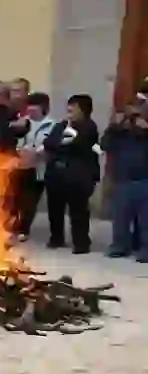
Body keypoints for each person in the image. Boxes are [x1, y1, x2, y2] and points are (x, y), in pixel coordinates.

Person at [42, 94, 100, 253]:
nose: (70, 110)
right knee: (54, 209)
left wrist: (63, 141)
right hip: (56, 174)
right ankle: (56, 238)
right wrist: (62, 142)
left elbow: (77, 144)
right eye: (69, 106)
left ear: (83, 110)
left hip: (78, 176)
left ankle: (81, 243)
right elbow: (49, 143)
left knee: (78, 211)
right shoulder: (61, 125)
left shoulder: (89, 127)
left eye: (74, 107)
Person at [101, 89, 148, 261]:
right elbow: (104, 144)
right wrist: (115, 127)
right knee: (120, 218)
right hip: (122, 179)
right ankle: (120, 246)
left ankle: (145, 249)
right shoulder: (119, 132)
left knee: (146, 220)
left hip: (145, 180)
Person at [13, 92, 55, 240]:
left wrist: (38, 152)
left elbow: (52, 146)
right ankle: (14, 226)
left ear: (44, 108)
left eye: (35, 110)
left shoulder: (52, 126)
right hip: (20, 167)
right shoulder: (22, 123)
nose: (31, 113)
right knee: (16, 199)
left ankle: (24, 229)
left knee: (30, 201)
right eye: (29, 109)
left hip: (39, 170)